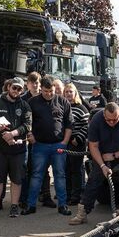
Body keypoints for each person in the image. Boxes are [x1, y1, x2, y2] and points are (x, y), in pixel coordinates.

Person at [77, 103, 119, 223]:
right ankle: (82, 212)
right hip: (105, 154)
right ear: (104, 115)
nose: (112, 123)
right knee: (94, 179)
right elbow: (93, 146)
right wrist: (102, 165)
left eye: (115, 119)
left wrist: (115, 155)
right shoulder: (96, 120)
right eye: (108, 120)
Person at [22, 76, 72, 216]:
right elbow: (26, 121)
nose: (48, 94)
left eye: (51, 91)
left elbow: (69, 124)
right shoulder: (32, 102)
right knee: (36, 175)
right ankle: (31, 205)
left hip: (58, 145)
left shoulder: (62, 101)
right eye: (45, 91)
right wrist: (30, 135)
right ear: (41, 89)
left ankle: (62, 205)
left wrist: (65, 142)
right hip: (40, 145)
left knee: (60, 176)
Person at [0, 77, 32, 218]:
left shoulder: (25, 105)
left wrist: (12, 133)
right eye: (14, 88)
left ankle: (14, 206)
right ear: (8, 87)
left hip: (17, 150)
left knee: (17, 179)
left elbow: (28, 125)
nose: (16, 91)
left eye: (19, 89)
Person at [63, 84, 90, 224]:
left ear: (75, 93)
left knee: (76, 170)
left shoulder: (82, 108)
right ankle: (68, 195)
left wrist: (77, 138)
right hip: (65, 143)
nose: (68, 94)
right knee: (66, 170)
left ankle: (77, 196)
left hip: (76, 144)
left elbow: (86, 126)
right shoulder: (62, 107)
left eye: (70, 92)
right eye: (66, 91)